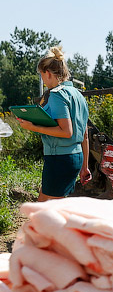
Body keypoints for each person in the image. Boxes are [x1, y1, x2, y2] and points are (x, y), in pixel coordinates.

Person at [15, 46, 91, 201]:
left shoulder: (57, 95)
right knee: (51, 204)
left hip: (59, 158)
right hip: (75, 157)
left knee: (45, 207)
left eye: (42, 75)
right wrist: (85, 166)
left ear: (48, 73)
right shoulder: (78, 95)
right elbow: (85, 134)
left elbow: (66, 132)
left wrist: (33, 127)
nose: (43, 79)